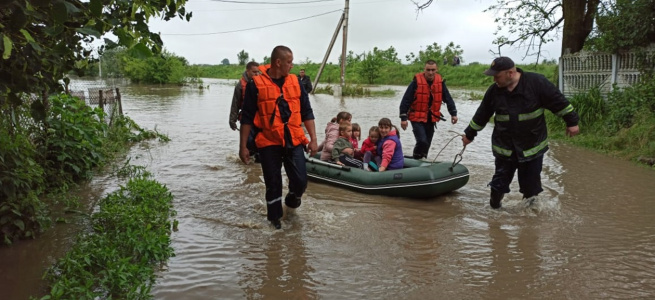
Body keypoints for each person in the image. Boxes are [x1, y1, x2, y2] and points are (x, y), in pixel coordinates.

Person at [462, 56, 580, 209]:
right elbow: (482, 114)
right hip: (505, 148)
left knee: (531, 187)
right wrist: (469, 134)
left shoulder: (536, 83)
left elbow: (558, 102)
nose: (494, 80)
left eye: (497, 76)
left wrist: (572, 122)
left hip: (532, 147)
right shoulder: (494, 91)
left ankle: (529, 219)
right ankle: (494, 212)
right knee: (498, 184)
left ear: (510, 73)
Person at [239, 45, 318, 229]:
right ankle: (275, 225)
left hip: (294, 139)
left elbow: (307, 112)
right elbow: (247, 118)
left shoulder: (296, 82)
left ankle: (291, 201)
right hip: (268, 141)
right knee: (273, 184)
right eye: (289, 62)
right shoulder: (255, 85)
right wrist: (243, 146)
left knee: (300, 181)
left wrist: (313, 139)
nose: (292, 65)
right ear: (278, 62)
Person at [399, 59, 459, 160]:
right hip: (416, 117)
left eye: (433, 70)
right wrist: (403, 118)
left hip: (431, 118)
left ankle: (422, 159)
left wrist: (453, 114)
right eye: (428, 70)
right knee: (422, 141)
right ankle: (416, 158)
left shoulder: (440, 82)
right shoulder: (416, 82)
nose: (430, 72)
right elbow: (406, 100)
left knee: (427, 143)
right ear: (424, 69)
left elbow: (448, 98)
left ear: (436, 70)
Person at [229, 61, 260, 157]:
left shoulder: (261, 83)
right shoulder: (240, 85)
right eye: (254, 72)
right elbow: (235, 103)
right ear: (247, 71)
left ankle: (257, 160)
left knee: (260, 141)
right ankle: (249, 162)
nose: (257, 74)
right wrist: (232, 120)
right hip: (247, 118)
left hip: (260, 118)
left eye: (258, 72)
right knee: (249, 141)